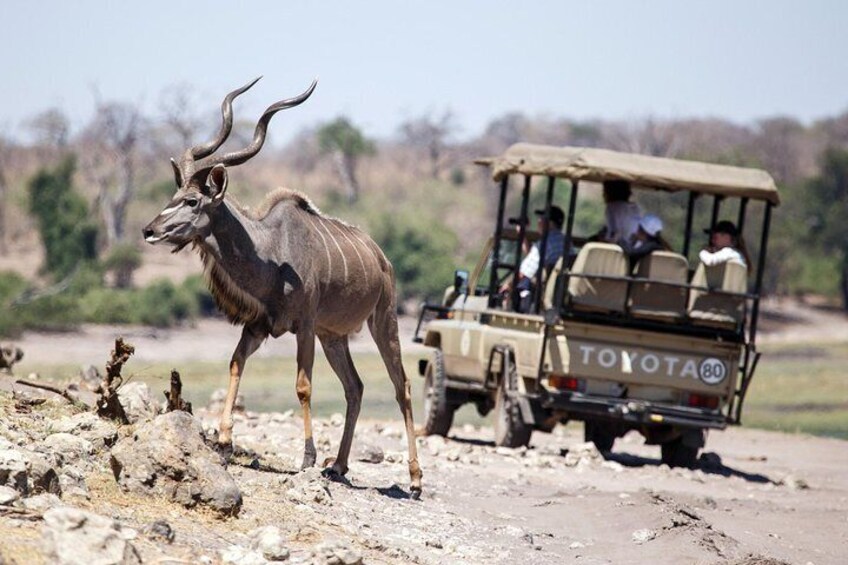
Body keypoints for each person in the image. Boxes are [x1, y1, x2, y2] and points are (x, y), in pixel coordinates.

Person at [500, 206, 566, 310]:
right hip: (559, 296)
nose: (538, 222)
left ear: (549, 223)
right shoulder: (566, 242)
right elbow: (536, 256)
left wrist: (507, 286)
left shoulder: (544, 244)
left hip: (539, 299)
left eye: (541, 219)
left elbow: (524, 272)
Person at [597, 180, 642, 244]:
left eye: (604, 191)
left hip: (623, 245)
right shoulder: (635, 208)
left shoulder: (612, 207)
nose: (603, 194)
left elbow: (613, 234)